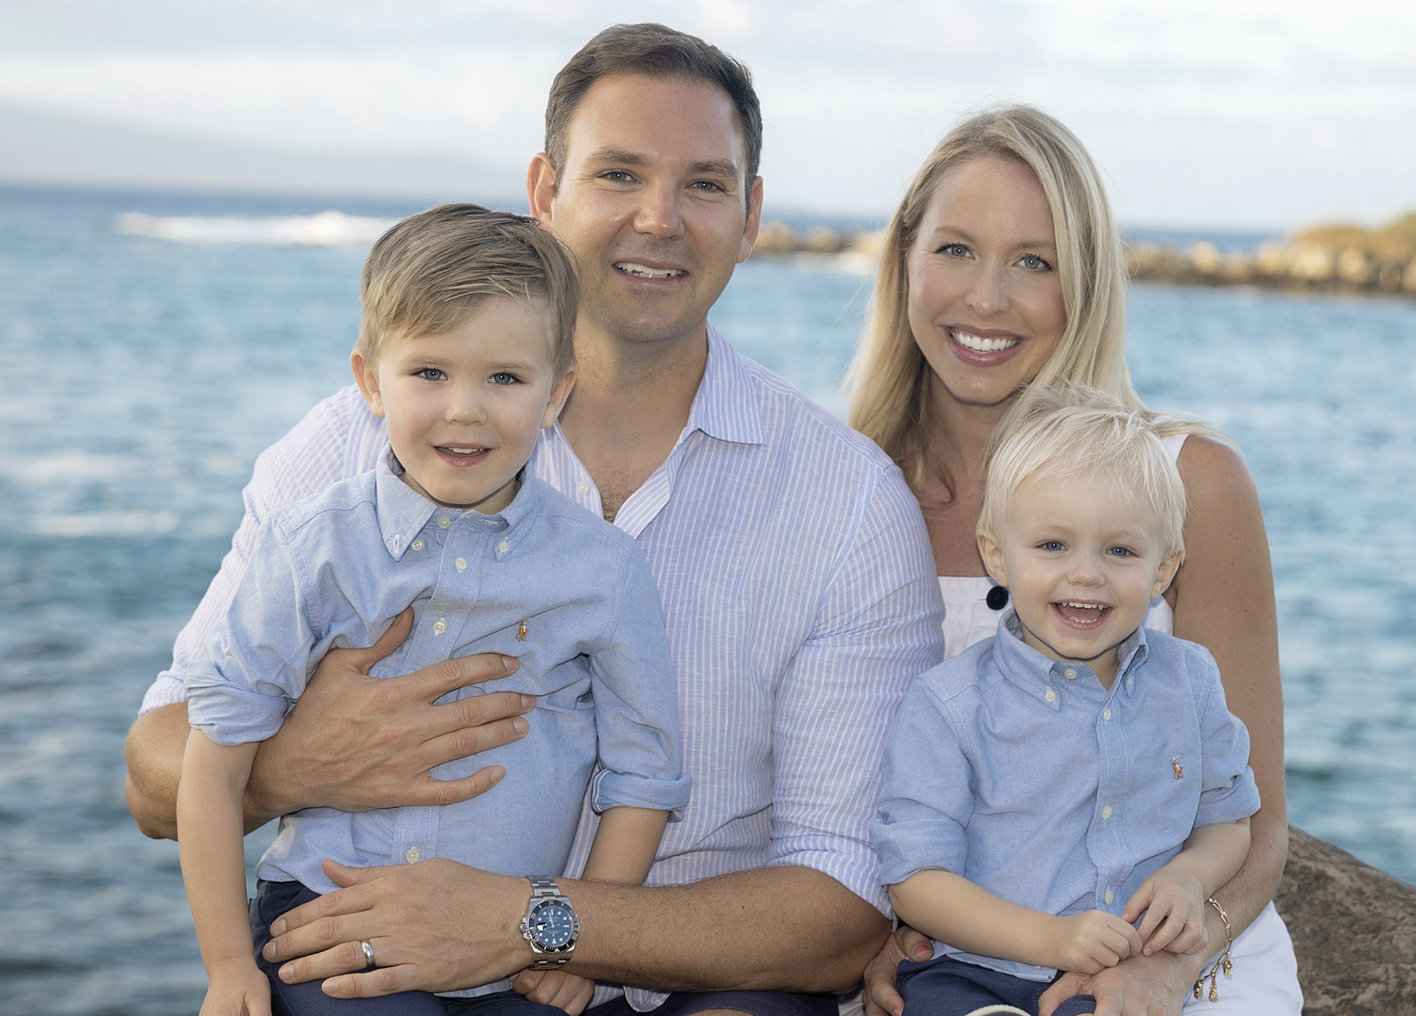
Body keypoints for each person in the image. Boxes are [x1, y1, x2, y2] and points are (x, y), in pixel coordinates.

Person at [124, 23, 943, 1016]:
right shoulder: (346, 445)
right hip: (374, 941)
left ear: (751, 213)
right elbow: (155, 769)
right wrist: (297, 765)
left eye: (703, 184)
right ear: (545, 192)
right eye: (619, 174)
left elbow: (846, 900)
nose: (659, 218)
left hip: (708, 978)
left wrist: (538, 919)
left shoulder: (848, 503)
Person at [177, 204, 690, 1016]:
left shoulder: (602, 568)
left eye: (505, 378)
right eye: (429, 372)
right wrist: (228, 966)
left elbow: (645, 775)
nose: (464, 409)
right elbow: (214, 759)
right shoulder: (310, 547)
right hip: (329, 921)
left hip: (514, 947)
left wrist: (584, 940)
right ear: (370, 382)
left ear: (555, 392)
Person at [845, 105, 1300, 1015]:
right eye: (955, 250)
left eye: (1035, 262)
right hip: (961, 971)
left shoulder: (1191, 482)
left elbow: (1260, 824)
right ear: (905, 261)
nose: (986, 298)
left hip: (1181, 967)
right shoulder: (846, 493)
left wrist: (1162, 970)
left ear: (1085, 282)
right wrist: (865, 939)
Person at [873, 387, 1261, 1016]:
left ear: (1164, 570)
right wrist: (1052, 938)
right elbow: (916, 880)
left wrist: (1192, 876)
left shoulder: (1189, 681)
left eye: (1121, 550)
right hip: (975, 972)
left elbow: (1229, 818)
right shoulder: (950, 705)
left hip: (1129, 976)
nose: (1087, 573)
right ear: (998, 554)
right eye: (1053, 546)